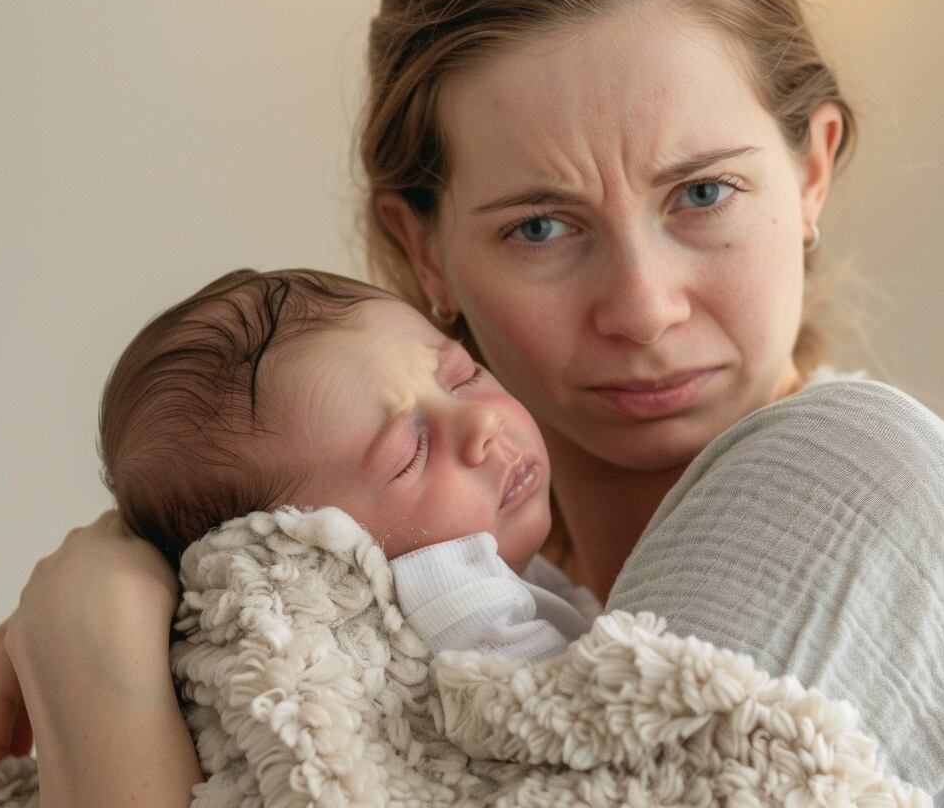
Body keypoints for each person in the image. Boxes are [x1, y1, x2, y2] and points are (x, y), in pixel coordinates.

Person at [0, 0, 944, 806]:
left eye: (702, 192)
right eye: (540, 226)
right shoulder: (428, 599)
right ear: (426, 250)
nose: (642, 309)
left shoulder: (849, 475)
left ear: (809, 172)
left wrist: (104, 674)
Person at [99, 267, 594, 662]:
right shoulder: (457, 609)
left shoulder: (505, 566)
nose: (483, 420)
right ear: (307, 555)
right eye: (409, 456)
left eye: (464, 377)